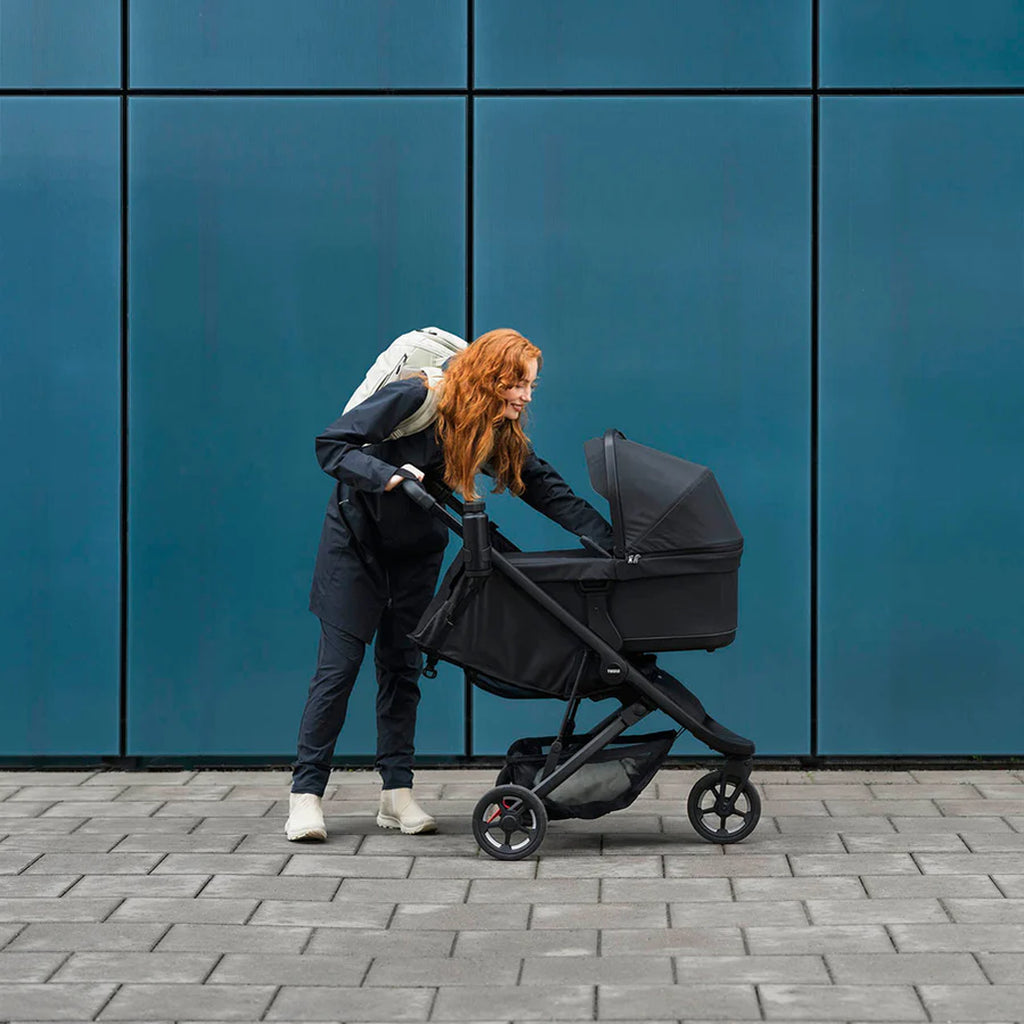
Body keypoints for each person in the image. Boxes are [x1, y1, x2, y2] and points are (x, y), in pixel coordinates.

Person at [286, 328, 615, 840]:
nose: (527, 396)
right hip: (355, 545)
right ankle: (305, 797)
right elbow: (332, 445)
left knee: (402, 668)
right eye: (519, 385)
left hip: (416, 551)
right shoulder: (418, 395)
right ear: (491, 378)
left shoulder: (490, 426)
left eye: (531, 386)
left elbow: (544, 487)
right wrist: (387, 476)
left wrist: (609, 540)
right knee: (339, 670)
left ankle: (396, 793)